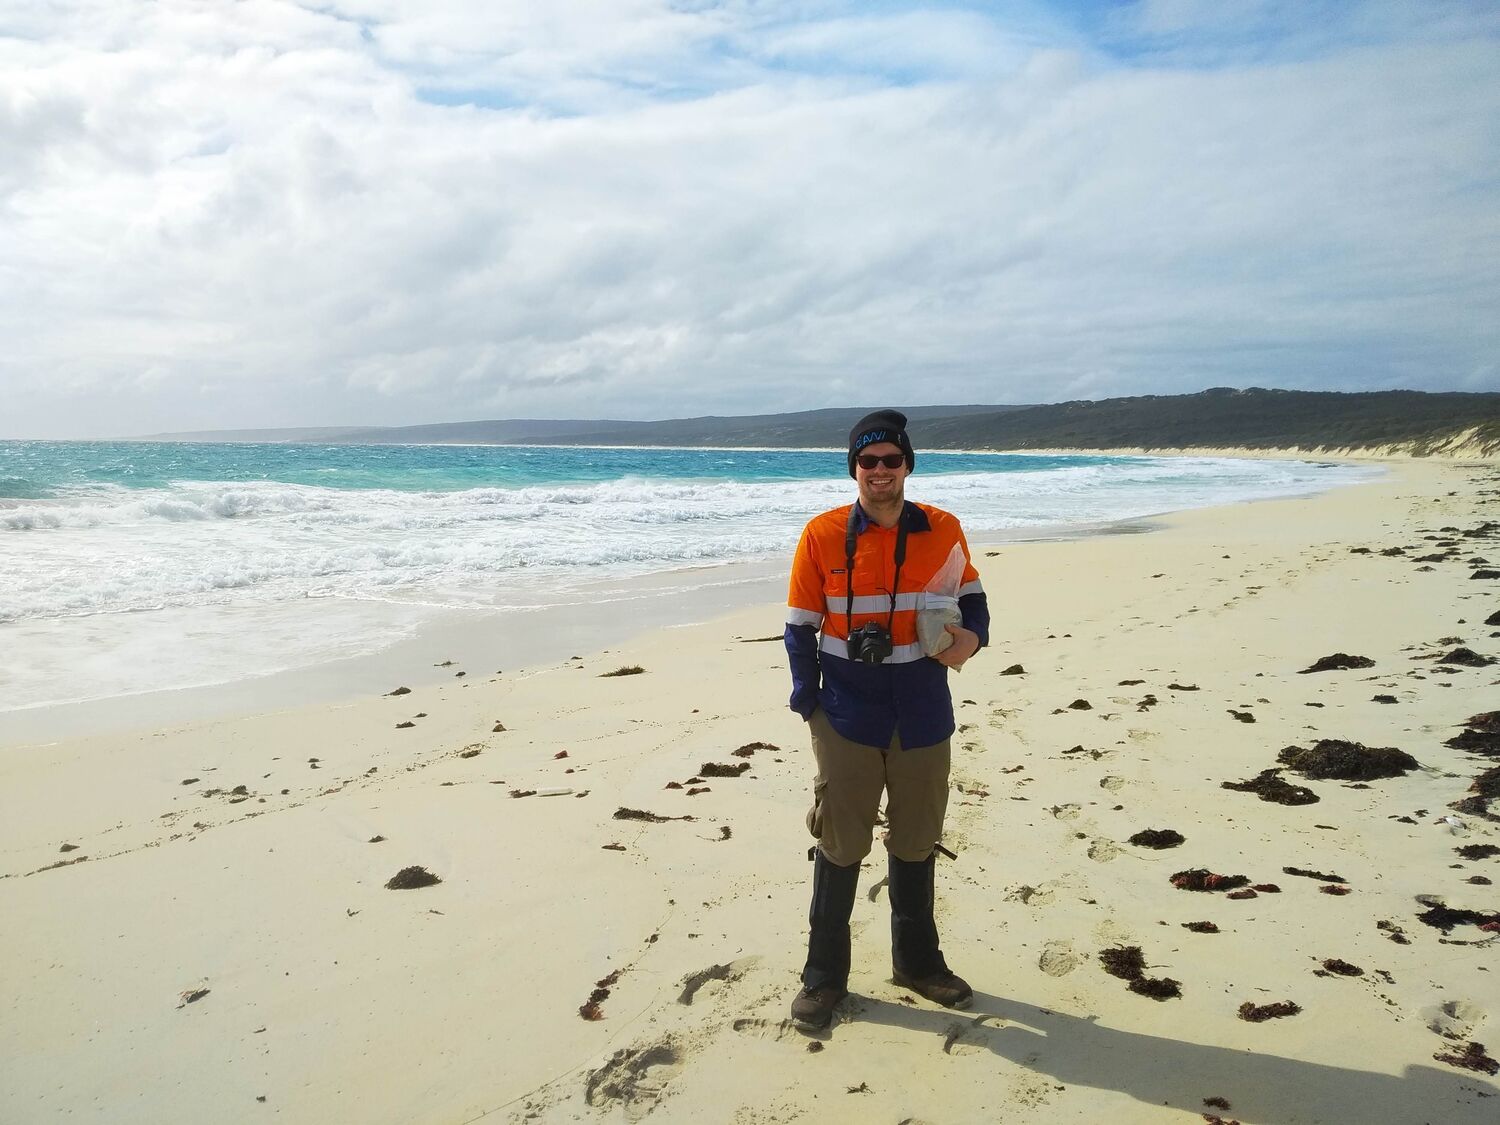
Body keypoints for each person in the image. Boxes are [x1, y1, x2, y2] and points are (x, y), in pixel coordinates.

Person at [783, 408, 989, 1030]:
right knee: (842, 844)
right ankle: (823, 978)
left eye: (890, 460)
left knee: (917, 839)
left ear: (907, 466)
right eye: (867, 461)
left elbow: (975, 606)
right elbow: (798, 630)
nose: (879, 471)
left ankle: (918, 964)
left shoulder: (942, 527)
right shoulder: (821, 535)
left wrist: (969, 642)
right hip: (846, 713)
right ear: (854, 469)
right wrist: (810, 705)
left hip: (924, 711)